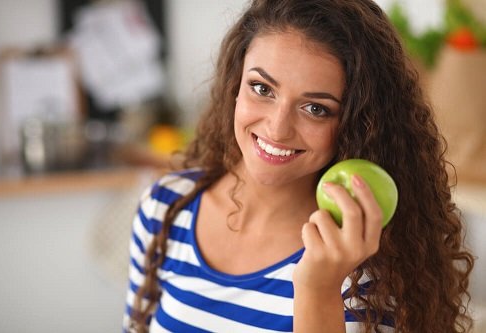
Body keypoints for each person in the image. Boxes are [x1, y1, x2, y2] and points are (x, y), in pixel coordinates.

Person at [123, 0, 475, 332]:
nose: (277, 128)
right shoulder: (167, 208)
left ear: (357, 124)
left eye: (316, 108)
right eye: (262, 88)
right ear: (234, 83)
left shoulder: (367, 271)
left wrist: (318, 287)